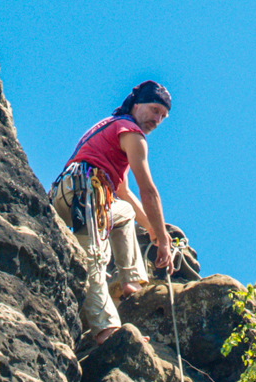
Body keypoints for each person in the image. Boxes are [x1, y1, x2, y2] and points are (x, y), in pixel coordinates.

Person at [49, 81, 176, 347]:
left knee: (125, 212)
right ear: (137, 105)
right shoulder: (131, 133)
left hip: (66, 193)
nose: (157, 119)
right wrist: (164, 241)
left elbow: (124, 193)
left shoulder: (111, 125)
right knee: (94, 258)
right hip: (87, 189)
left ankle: (130, 282)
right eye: (154, 110)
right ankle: (107, 331)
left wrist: (153, 230)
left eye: (163, 116)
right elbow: (148, 191)